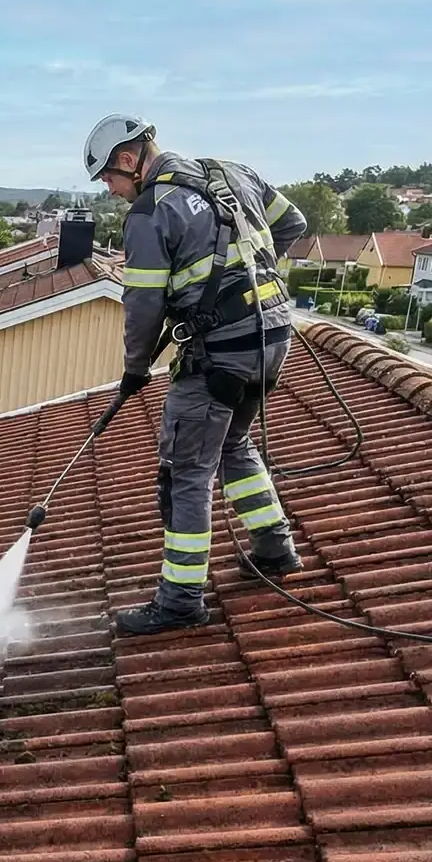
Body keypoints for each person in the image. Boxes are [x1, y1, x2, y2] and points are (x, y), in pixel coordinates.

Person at [82, 115, 309, 635]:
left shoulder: (149, 212)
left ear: (126, 160)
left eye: (108, 181)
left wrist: (135, 370)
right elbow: (292, 224)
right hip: (272, 340)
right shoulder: (232, 172)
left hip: (219, 356)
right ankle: (275, 549)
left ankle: (181, 600)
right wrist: (247, 282)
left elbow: (141, 306)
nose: (111, 192)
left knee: (188, 471)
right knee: (234, 443)